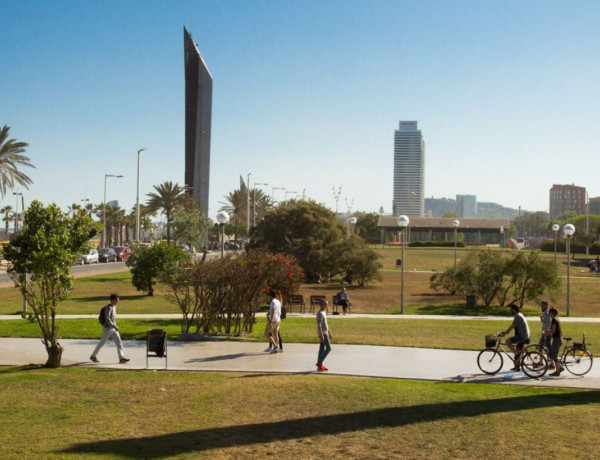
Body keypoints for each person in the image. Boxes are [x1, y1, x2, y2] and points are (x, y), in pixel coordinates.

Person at [90, 293, 130, 364]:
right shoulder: (108, 308)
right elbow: (108, 319)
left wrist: (115, 326)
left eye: (118, 300)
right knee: (102, 343)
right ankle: (93, 356)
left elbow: (113, 319)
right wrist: (115, 326)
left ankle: (121, 358)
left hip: (113, 329)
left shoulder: (114, 307)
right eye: (117, 300)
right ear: (112, 300)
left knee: (119, 342)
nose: (118, 302)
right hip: (107, 329)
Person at [499, 304, 530, 371]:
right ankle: (517, 366)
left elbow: (512, 326)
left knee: (507, 341)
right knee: (517, 348)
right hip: (524, 335)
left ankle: (516, 353)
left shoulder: (517, 316)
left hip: (522, 336)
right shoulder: (520, 314)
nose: (510, 311)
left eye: (510, 310)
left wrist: (505, 333)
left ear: (514, 310)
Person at [547, 308, 565, 376]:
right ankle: (560, 368)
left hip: (557, 340)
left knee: (554, 356)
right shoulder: (556, 319)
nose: (549, 313)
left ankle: (557, 371)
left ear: (553, 313)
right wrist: (548, 331)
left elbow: (553, 331)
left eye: (550, 312)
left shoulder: (554, 321)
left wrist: (547, 333)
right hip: (557, 339)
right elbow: (554, 329)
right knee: (552, 353)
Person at [316, 299, 332, 371]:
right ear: (321, 305)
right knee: (329, 348)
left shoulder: (324, 312)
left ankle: (320, 366)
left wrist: (329, 332)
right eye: (325, 304)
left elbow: (326, 324)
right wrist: (322, 335)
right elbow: (319, 326)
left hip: (325, 332)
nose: (326, 305)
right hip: (323, 333)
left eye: (327, 304)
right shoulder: (319, 314)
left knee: (322, 349)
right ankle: (319, 363)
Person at [266, 289, 281, 354]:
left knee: (266, 333)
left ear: (270, 295)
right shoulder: (278, 301)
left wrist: (270, 321)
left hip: (273, 320)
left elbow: (273, 311)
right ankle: (276, 348)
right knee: (275, 334)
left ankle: (275, 346)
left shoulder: (273, 302)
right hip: (278, 320)